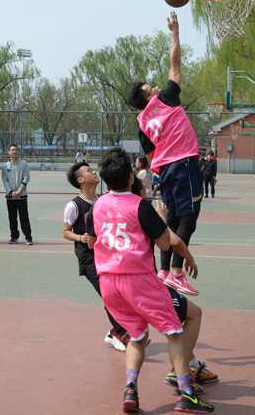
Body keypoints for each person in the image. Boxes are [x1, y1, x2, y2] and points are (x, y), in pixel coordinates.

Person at [89, 148, 214, 413]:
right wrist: (161, 219)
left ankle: (130, 389)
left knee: (137, 336)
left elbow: (92, 239)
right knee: (174, 332)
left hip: (108, 282)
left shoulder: (98, 205)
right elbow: (165, 243)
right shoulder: (139, 206)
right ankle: (186, 393)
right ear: (130, 177)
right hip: (138, 280)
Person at [126, 11, 204, 297]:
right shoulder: (165, 98)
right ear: (149, 97)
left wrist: (158, 177)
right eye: (151, 87)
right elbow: (175, 65)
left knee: (170, 218)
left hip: (165, 170)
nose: (156, 86)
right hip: (183, 164)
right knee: (189, 217)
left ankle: (162, 270)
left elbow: (150, 156)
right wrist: (175, 33)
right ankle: (177, 272)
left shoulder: (141, 123)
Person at [63, 161, 131, 352]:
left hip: (107, 255)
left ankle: (115, 332)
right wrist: (81, 237)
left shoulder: (103, 200)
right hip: (88, 258)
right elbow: (65, 231)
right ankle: (121, 333)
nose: (93, 171)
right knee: (108, 294)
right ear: (80, 180)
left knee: (118, 293)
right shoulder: (74, 205)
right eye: (88, 170)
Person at [2, 144, 32, 245]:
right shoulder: (5, 166)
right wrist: (11, 192)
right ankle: (14, 237)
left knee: (24, 217)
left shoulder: (24, 164)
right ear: (9, 152)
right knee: (12, 218)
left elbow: (26, 178)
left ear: (18, 152)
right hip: (10, 197)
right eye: (12, 150)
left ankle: (28, 237)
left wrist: (19, 191)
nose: (14, 152)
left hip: (22, 196)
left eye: (16, 150)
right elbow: (5, 181)